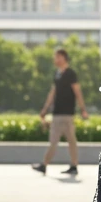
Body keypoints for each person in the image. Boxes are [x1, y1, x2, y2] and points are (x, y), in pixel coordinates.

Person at [32, 48, 88, 177]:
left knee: (58, 140)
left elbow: (77, 92)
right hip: (58, 113)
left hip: (66, 114)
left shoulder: (70, 73)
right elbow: (53, 92)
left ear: (63, 58)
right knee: (70, 140)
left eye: (57, 57)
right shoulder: (57, 74)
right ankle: (73, 166)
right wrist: (45, 109)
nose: (55, 59)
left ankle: (45, 165)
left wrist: (83, 109)